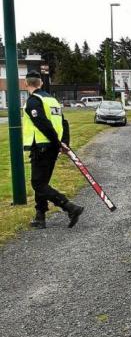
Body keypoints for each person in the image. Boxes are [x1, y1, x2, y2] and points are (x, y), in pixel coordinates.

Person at [23, 70, 84, 228]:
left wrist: (58, 143)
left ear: (26, 83)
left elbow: (43, 125)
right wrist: (64, 143)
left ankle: (69, 207)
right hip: (51, 148)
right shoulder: (52, 100)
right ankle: (40, 216)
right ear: (41, 83)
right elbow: (64, 123)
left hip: (42, 147)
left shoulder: (33, 101)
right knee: (43, 182)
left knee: (38, 184)